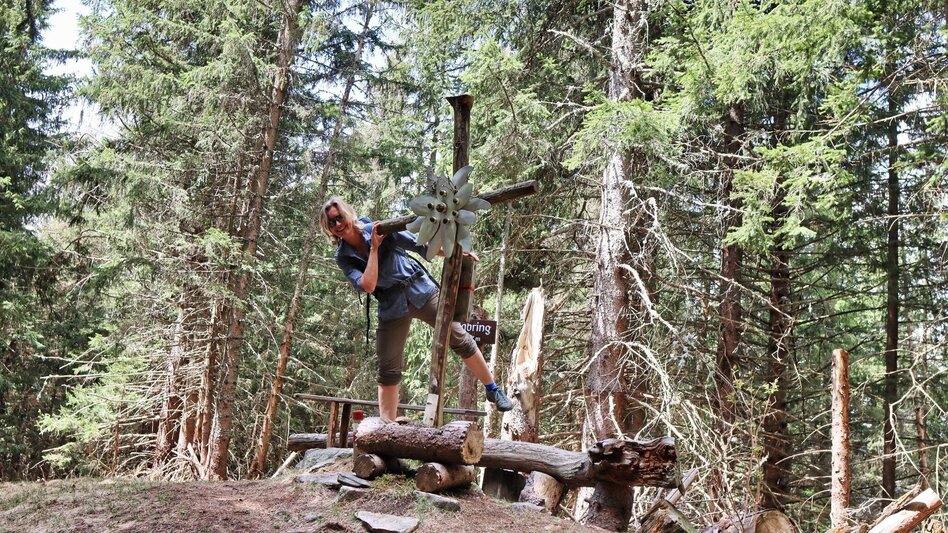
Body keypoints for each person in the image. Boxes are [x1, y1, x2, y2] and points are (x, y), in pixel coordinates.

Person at [320, 196, 513, 421]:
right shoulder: (343, 257)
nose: (338, 225)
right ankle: (386, 428)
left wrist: (457, 251)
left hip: (420, 289)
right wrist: (374, 249)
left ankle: (492, 389)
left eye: (339, 218)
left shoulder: (380, 228)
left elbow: (421, 245)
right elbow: (369, 285)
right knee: (387, 368)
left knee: (459, 337)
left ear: (347, 214)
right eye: (331, 223)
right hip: (391, 306)